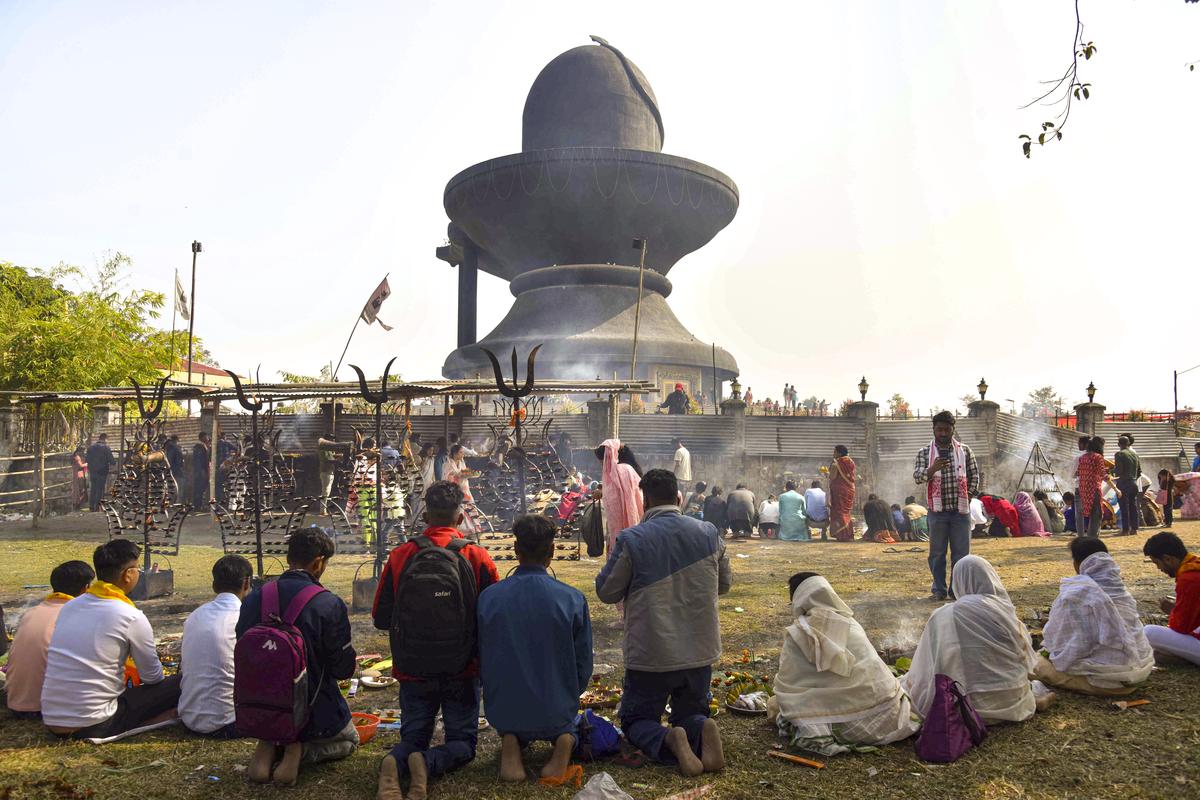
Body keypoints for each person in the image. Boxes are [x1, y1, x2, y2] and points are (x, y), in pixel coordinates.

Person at [595, 469, 731, 777]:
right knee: (692, 712)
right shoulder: (709, 533)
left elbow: (607, 591)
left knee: (636, 721)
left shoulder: (632, 538)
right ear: (678, 496)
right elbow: (723, 585)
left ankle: (667, 738)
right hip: (699, 650)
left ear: (646, 499)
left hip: (651, 653)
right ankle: (700, 727)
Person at [372, 481, 499, 800]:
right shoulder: (476, 555)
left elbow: (380, 616)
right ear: (460, 518)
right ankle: (427, 763)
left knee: (412, 736)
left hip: (413, 670)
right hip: (462, 669)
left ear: (426, 515)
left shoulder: (402, 554)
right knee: (462, 745)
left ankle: (396, 760)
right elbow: (492, 616)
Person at [237, 528, 357, 785]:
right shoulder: (328, 603)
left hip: (261, 707)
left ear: (289, 557)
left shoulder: (254, 597)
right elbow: (342, 668)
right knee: (351, 740)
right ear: (318, 562)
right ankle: (300, 750)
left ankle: (270, 741)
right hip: (313, 713)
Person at [478, 515, 592, 784]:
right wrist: (568, 694)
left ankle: (510, 741)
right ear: (552, 551)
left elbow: (481, 656)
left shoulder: (489, 598)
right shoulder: (572, 598)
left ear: (516, 550)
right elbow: (583, 663)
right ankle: (564, 740)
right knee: (573, 726)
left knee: (512, 723)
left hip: (505, 709)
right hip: (557, 708)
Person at [41, 540, 181, 738]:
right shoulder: (129, 615)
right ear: (128, 574)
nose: (139, 573)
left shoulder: (71, 606)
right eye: (138, 568)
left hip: (52, 718)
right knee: (181, 682)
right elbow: (153, 677)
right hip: (95, 722)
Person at [769, 572, 919, 756]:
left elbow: (788, 688)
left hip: (845, 725)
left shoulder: (798, 634)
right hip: (886, 715)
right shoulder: (851, 623)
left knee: (776, 705)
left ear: (797, 600)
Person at [900, 555, 1047, 724]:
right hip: (1014, 702)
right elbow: (1024, 657)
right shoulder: (1004, 610)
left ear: (958, 581)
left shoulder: (945, 615)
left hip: (963, 708)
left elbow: (928, 666)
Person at [1034, 538, 1154, 695]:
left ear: (1078, 563)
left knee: (1036, 663)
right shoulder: (1120, 590)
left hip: (1106, 682)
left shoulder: (1076, 593)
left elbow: (1065, 647)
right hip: (1140, 672)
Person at [5, 560, 94, 717]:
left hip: (15, 702)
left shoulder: (32, 613)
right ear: (86, 588)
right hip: (47, 708)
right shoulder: (76, 615)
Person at [179, 555, 253, 738]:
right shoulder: (244, 618)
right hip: (229, 723)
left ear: (214, 586)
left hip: (188, 718)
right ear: (247, 583)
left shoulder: (195, 616)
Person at [913, 411, 981, 600]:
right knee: (937, 554)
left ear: (953, 429)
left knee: (961, 555)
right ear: (933, 430)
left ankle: (957, 590)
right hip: (937, 512)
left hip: (961, 512)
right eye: (939, 429)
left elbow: (975, 475)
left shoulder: (965, 451)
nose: (943, 433)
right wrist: (933, 468)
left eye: (946, 429)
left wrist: (969, 495)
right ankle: (939, 590)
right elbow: (918, 477)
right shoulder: (925, 452)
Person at [1142, 531, 1200, 666]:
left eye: (1157, 563)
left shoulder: (1189, 578)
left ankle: (1182, 658)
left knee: (1148, 632)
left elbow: (1181, 627)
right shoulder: (1195, 565)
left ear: (1168, 559)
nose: (1159, 568)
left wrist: (1172, 611)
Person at [1077, 437, 1114, 537]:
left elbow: (1078, 473)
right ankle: (1092, 538)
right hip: (1094, 490)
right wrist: (1110, 477)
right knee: (1096, 515)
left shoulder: (1082, 457)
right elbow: (1103, 474)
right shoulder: (1098, 457)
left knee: (1088, 514)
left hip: (1084, 490)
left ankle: (1089, 536)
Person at [1113, 436, 1141, 536]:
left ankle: (1125, 530)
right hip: (1133, 483)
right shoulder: (1135, 455)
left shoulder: (1119, 454)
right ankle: (1134, 528)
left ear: (1118, 444)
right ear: (1128, 443)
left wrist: (1112, 471)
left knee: (1124, 507)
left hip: (1123, 483)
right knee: (1133, 506)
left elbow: (1119, 471)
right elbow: (1139, 472)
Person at [828, 445, 857, 542]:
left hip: (839, 490)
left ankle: (843, 535)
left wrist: (825, 474)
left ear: (839, 453)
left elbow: (832, 477)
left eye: (835, 452)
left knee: (839, 512)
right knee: (846, 512)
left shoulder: (836, 463)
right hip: (850, 489)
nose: (833, 454)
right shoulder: (851, 462)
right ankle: (848, 534)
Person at [85, 433, 115, 511]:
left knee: (93, 489)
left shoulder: (91, 448)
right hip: (102, 472)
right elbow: (112, 461)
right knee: (100, 490)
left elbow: (87, 460)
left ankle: (92, 507)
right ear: (105, 439)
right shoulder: (106, 448)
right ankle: (98, 507)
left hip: (93, 472)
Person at [192, 432, 211, 508]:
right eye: (206, 436)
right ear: (202, 438)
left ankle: (199, 505)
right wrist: (201, 471)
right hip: (200, 472)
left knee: (202, 488)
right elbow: (197, 460)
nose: (208, 438)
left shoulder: (205, 446)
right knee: (199, 489)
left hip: (204, 471)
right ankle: (197, 506)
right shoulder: (199, 447)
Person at [70, 446, 88, 510]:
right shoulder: (77, 457)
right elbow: (80, 465)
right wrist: (87, 464)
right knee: (80, 490)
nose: (83, 453)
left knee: (79, 490)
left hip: (77, 474)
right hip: (78, 474)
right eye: (83, 451)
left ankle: (78, 504)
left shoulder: (75, 456)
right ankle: (77, 505)